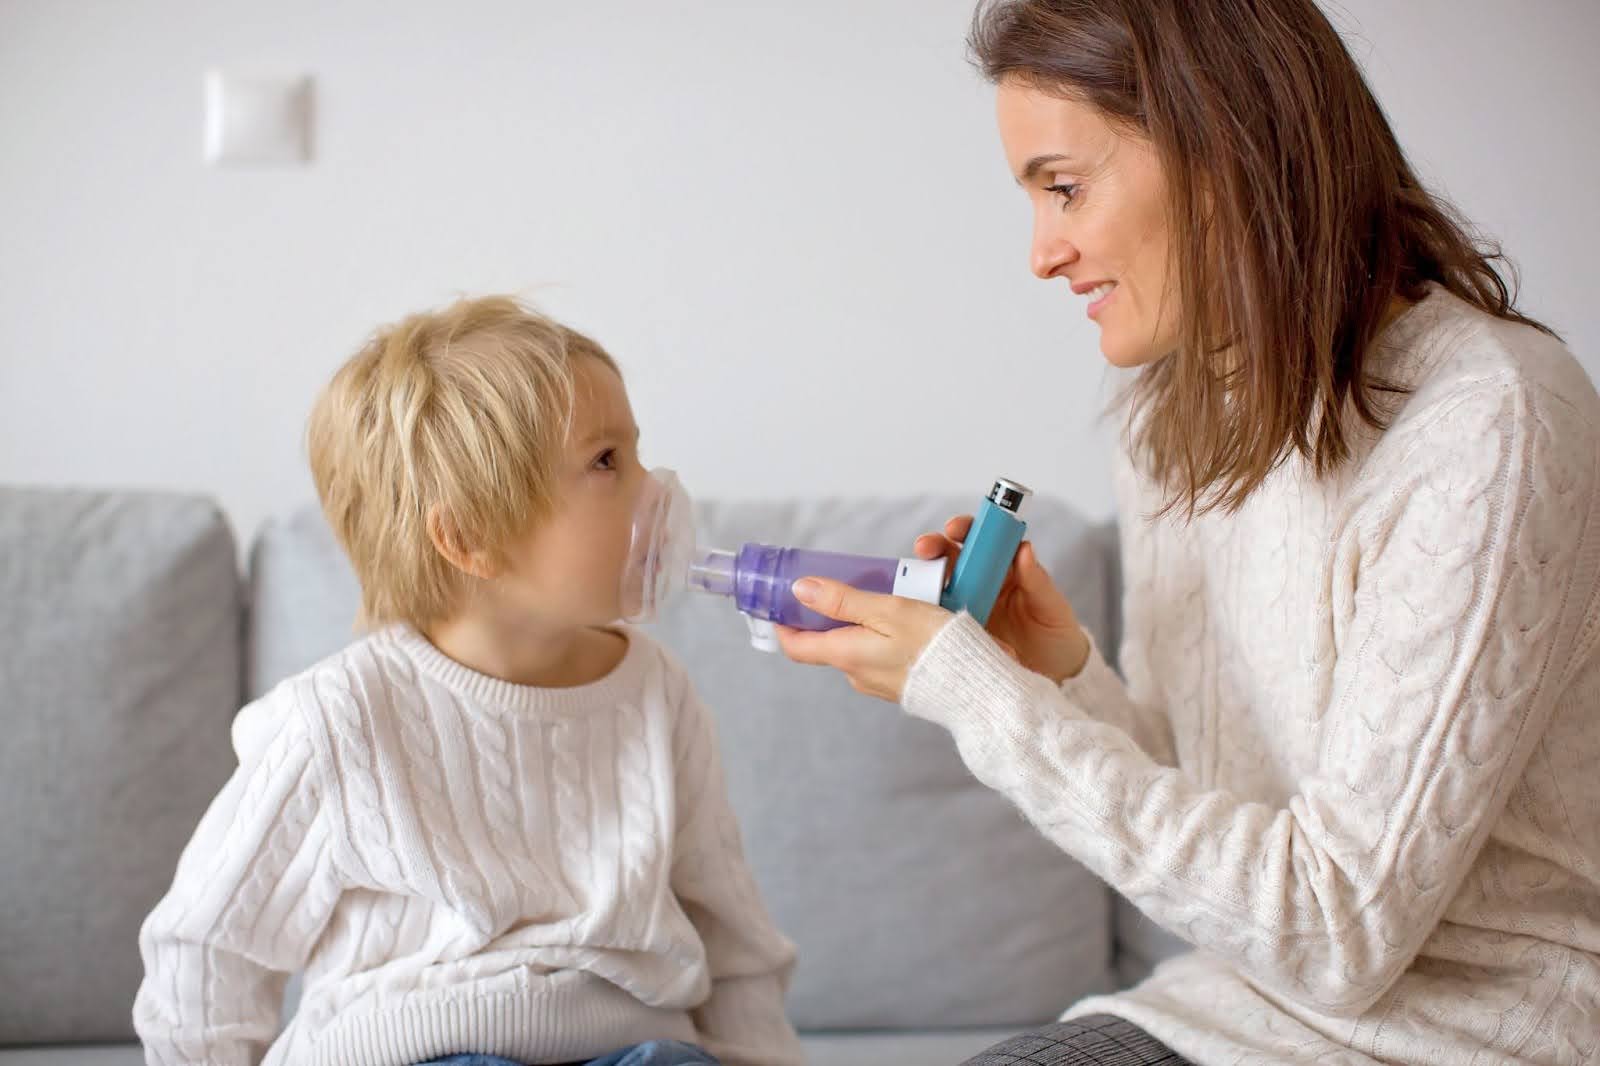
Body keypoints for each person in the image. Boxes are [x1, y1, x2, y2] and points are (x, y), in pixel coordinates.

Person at [777, 1, 1600, 1063]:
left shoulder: (1491, 421)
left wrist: (971, 698)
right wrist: (1055, 673)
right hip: (1225, 1014)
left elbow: (1337, 933)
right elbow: (1218, 831)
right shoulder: (1177, 419)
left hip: (1473, 1036)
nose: (1042, 253)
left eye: (1063, 187)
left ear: (1224, 148)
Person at [134, 295, 803, 1066]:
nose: (653, 490)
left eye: (636, 453)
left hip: (635, 1046)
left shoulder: (657, 693)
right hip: (421, 1046)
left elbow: (731, 935)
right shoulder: (339, 717)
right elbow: (207, 950)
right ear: (470, 538)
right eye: (606, 460)